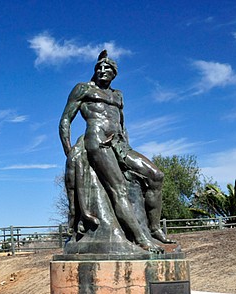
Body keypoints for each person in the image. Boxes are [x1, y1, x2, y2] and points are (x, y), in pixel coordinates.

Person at [59, 50, 173, 252]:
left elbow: (122, 123)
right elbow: (66, 119)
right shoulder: (83, 89)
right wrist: (68, 150)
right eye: (99, 67)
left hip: (120, 144)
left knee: (156, 176)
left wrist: (125, 148)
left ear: (114, 73)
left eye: (108, 68)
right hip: (98, 140)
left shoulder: (118, 95)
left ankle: (154, 228)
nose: (103, 70)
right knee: (118, 188)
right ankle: (140, 239)